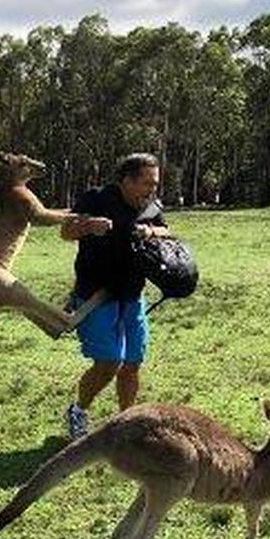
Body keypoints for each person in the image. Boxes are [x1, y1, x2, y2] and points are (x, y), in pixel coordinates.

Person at [60, 153, 169, 438]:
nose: (152, 190)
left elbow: (166, 229)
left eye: (154, 184)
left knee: (132, 364)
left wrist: (151, 230)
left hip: (133, 295)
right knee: (109, 362)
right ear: (125, 180)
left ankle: (126, 423)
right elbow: (65, 232)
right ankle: (78, 411)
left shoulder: (149, 207)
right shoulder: (96, 198)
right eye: (147, 183)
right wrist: (88, 226)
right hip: (96, 296)